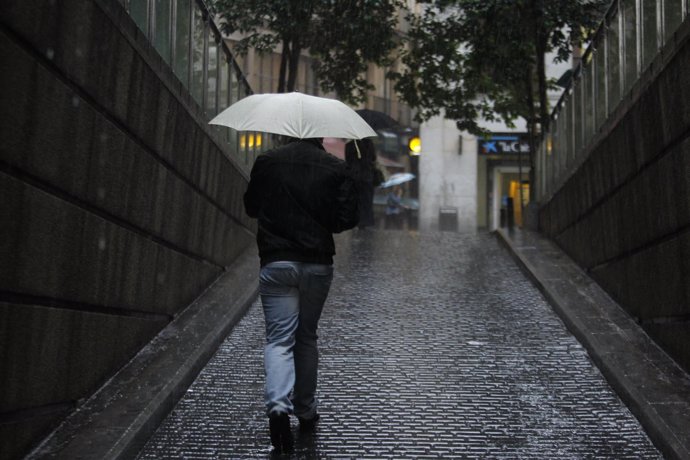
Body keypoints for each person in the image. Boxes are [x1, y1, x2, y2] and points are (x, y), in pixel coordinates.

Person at [243, 137, 359, 454]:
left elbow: (251, 207)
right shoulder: (334, 168)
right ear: (318, 136)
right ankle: (305, 410)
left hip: (277, 259)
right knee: (306, 336)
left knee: (279, 339)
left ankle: (278, 406)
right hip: (317, 263)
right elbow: (345, 220)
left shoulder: (267, 161)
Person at [344, 138, 380, 228]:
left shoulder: (349, 145)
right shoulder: (369, 144)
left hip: (354, 177)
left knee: (356, 200)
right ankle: (367, 221)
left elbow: (347, 160)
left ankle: (358, 220)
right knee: (367, 200)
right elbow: (373, 158)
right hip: (367, 176)